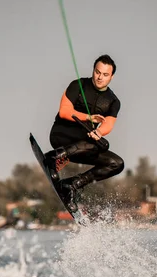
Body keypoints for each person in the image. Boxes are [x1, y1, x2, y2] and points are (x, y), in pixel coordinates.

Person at [44, 54, 125, 212]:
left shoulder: (113, 101)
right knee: (95, 144)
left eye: (105, 74)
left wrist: (99, 131)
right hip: (61, 136)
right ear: (94, 70)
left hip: (84, 145)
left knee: (116, 163)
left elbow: (109, 123)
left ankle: (71, 185)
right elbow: (64, 111)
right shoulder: (78, 85)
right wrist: (88, 117)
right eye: (97, 72)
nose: (100, 77)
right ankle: (53, 157)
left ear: (112, 77)